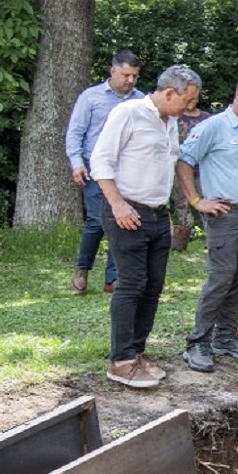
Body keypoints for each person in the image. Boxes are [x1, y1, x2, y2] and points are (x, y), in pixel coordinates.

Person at [91, 64, 202, 389]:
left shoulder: (168, 122)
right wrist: (118, 203)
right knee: (132, 283)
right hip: (126, 211)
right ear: (170, 93)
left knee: (153, 285)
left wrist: (163, 210)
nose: (190, 107)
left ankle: (137, 351)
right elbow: (101, 161)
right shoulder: (128, 113)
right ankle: (121, 360)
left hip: (155, 214)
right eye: (188, 100)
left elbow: (162, 168)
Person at [175, 74, 238, 374]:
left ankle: (225, 337)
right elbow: (183, 162)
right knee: (221, 278)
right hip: (224, 216)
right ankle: (197, 343)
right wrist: (195, 201)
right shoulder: (212, 127)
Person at [65, 50, 144, 294]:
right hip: (94, 168)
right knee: (97, 221)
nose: (130, 80)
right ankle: (82, 269)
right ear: (113, 71)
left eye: (134, 76)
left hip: (126, 168)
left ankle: (113, 278)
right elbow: (75, 132)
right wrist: (76, 162)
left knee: (122, 221)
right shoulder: (91, 97)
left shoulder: (140, 100)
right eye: (126, 74)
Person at [171, 94, 214, 252]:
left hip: (201, 169)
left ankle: (211, 238)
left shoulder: (206, 118)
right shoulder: (175, 116)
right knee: (181, 204)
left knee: (205, 200)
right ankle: (183, 238)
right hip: (178, 168)